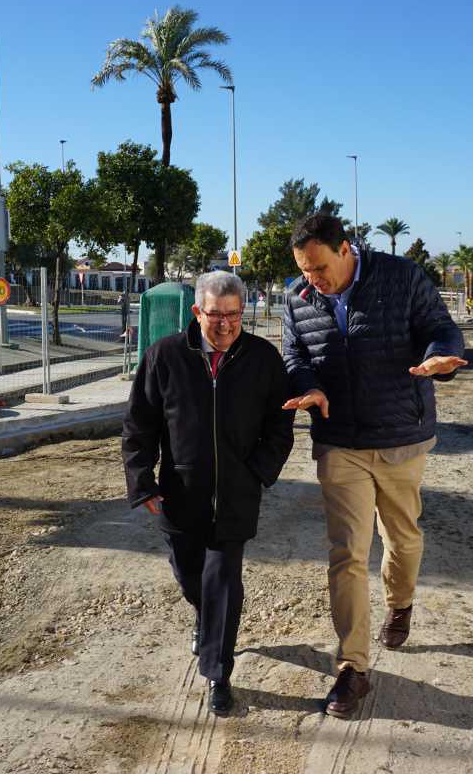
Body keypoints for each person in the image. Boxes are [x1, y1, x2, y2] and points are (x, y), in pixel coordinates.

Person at [281, 213, 466, 719]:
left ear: (345, 250)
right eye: (304, 270)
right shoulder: (299, 298)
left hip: (401, 434)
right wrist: (307, 386)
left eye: (319, 268)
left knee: (402, 538)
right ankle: (353, 668)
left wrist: (441, 356)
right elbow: (294, 355)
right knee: (347, 553)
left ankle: (400, 603)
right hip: (339, 440)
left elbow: (440, 327)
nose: (312, 280)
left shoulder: (400, 276)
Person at [122, 270, 294, 716]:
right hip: (180, 492)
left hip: (236, 496)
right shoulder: (164, 357)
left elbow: (280, 424)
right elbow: (139, 424)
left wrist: (259, 470)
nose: (225, 325)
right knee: (189, 575)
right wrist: (142, 481)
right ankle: (206, 618)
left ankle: (218, 672)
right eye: (216, 315)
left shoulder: (262, 359)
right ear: (197, 312)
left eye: (234, 316)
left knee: (223, 580)